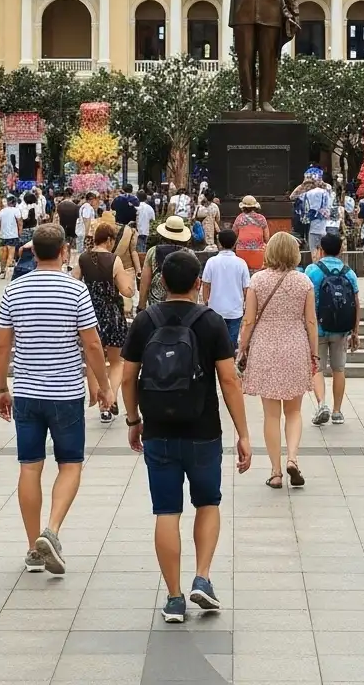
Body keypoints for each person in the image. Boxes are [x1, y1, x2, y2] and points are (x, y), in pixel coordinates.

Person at [122, 247, 252, 624]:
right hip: (204, 430)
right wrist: (243, 433)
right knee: (208, 503)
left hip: (159, 430)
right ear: (199, 283)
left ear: (161, 282)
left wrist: (133, 420)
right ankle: (203, 577)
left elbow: (128, 377)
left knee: (166, 511)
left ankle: (175, 598)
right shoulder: (210, 322)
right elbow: (228, 379)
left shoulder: (145, 321)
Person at [0, 223, 113, 575]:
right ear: (64, 251)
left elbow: (3, 344)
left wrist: (1, 387)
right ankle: (53, 530)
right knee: (70, 464)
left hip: (28, 393)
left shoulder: (14, 290)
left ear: (32, 251)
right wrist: (104, 385)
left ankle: (34, 548)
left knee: (30, 466)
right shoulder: (75, 291)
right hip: (65, 393)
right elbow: (91, 343)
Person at [237, 231, 318, 490]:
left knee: (271, 415)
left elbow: (248, 320)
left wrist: (242, 348)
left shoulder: (257, 281)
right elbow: (311, 322)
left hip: (266, 348)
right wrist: (314, 353)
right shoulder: (304, 281)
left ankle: (275, 471)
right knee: (294, 411)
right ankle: (293, 458)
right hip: (295, 346)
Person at [73, 220, 134, 422]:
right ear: (108, 240)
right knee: (117, 361)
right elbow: (127, 290)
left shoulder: (83, 259)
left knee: (94, 359)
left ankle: (103, 407)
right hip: (112, 314)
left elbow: (74, 283)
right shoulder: (115, 260)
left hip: (89, 315)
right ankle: (112, 397)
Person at [307, 231, 360, 426]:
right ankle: (337, 411)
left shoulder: (312, 271)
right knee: (339, 369)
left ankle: (322, 404)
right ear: (340, 250)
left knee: (317, 368)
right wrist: (355, 331)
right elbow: (356, 303)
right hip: (342, 329)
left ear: (321, 250)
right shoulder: (349, 273)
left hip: (317, 328)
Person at [201, 227, 251, 350]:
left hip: (215, 308)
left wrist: (206, 301)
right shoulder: (241, 263)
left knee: (214, 342)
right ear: (235, 243)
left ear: (219, 243)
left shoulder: (211, 262)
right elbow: (246, 288)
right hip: (235, 310)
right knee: (231, 344)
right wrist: (245, 304)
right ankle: (229, 366)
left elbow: (206, 284)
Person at [138, 214, 192, 309]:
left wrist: (141, 305)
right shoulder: (189, 254)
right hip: (183, 306)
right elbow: (194, 284)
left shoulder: (153, 251)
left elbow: (145, 281)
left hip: (156, 306)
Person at [113, 218, 142, 318]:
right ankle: (127, 314)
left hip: (110, 266)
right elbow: (133, 251)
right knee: (127, 294)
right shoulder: (131, 231)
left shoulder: (104, 227)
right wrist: (138, 270)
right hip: (127, 267)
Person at [233, 194, 270, 271]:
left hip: (241, 252)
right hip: (258, 252)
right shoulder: (261, 218)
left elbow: (233, 236)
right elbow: (267, 239)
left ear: (243, 207)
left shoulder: (239, 218)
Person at [0, 195, 21, 279]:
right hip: (13, 235)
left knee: (3, 254)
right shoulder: (16, 211)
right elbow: (20, 223)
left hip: (3, 236)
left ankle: (2, 271)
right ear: (14, 203)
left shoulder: (1, 212)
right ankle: (6, 270)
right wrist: (19, 232)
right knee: (10, 254)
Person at [56, 188, 79, 267]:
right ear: (72, 195)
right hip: (72, 229)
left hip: (61, 229)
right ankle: (68, 264)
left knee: (61, 247)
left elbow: (56, 217)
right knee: (69, 248)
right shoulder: (75, 206)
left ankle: (61, 263)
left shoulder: (60, 205)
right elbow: (77, 218)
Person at [76, 191, 97, 256]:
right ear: (92, 199)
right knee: (83, 253)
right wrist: (87, 233)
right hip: (85, 231)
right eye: (95, 200)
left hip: (82, 230)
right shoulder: (87, 207)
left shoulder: (85, 206)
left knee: (82, 252)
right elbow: (86, 220)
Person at [136, 189, 155, 255]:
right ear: (146, 198)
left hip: (136, 231)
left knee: (138, 250)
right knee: (143, 248)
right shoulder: (149, 208)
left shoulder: (135, 207)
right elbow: (152, 220)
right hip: (146, 231)